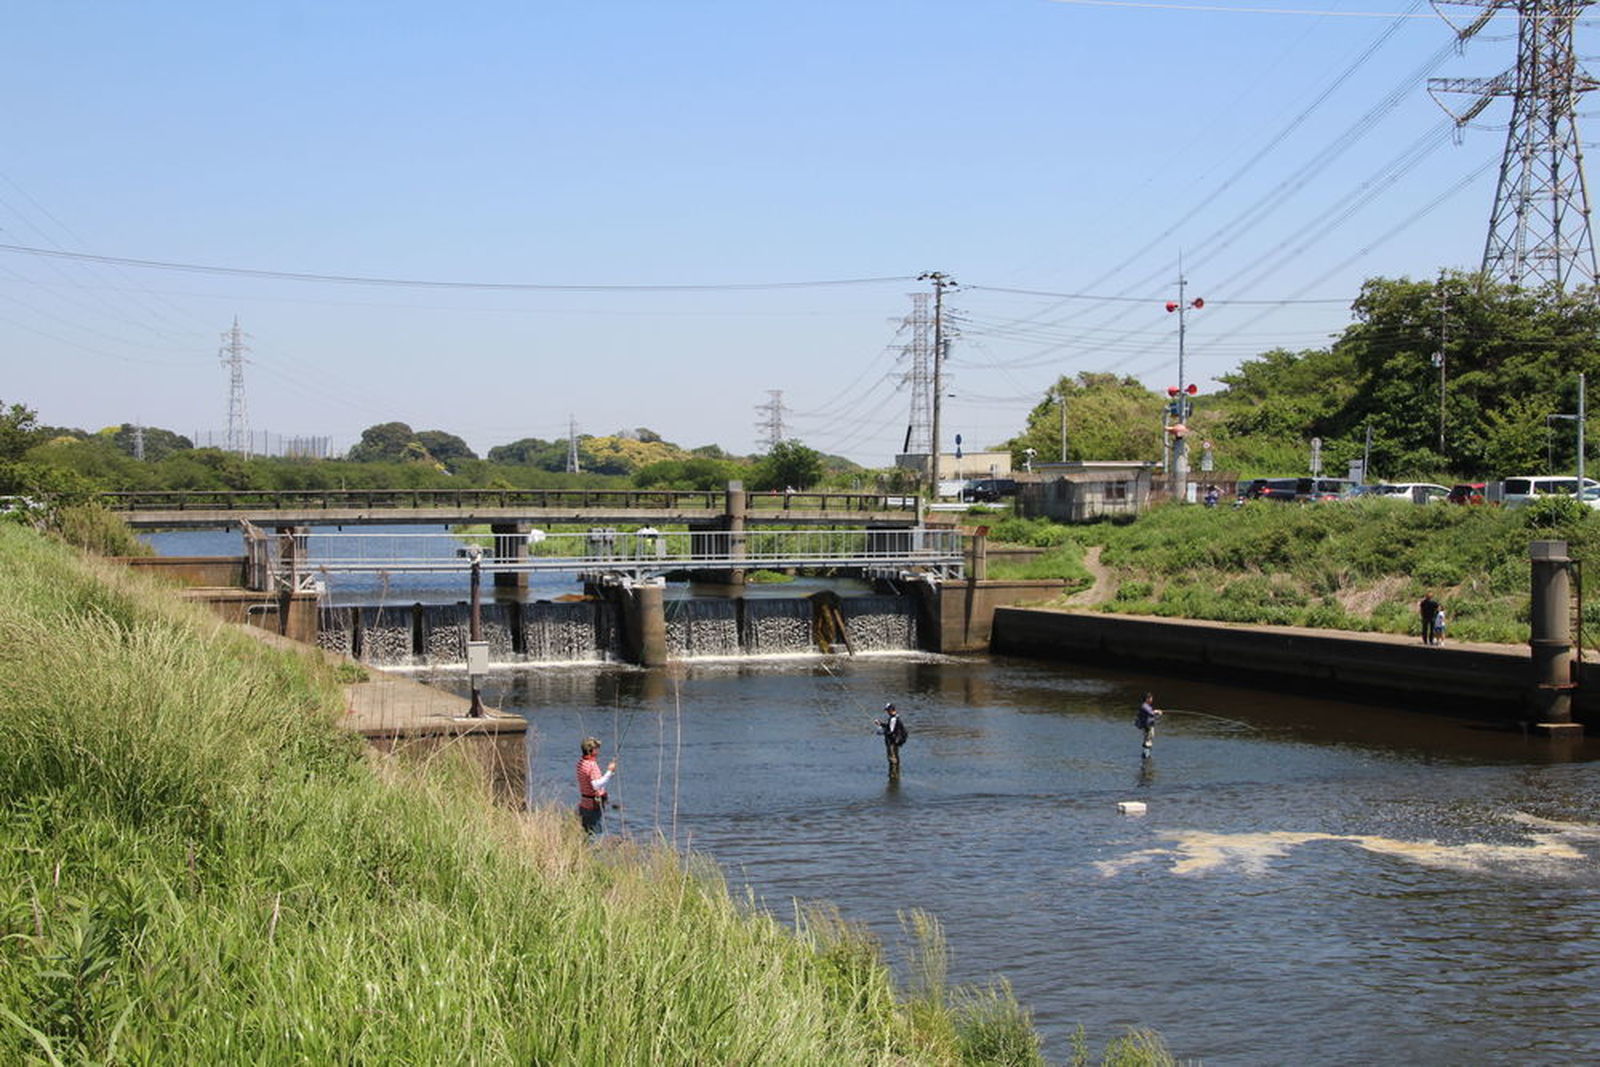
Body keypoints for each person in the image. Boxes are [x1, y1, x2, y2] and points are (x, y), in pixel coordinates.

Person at [576, 736, 616, 837]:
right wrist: (609, 771)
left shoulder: (581, 763)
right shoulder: (591, 765)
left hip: (584, 804)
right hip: (593, 806)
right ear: (591, 751)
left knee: (587, 833)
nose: (598, 751)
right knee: (596, 835)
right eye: (596, 748)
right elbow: (596, 785)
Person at [875, 702, 908, 777]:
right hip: (896, 741)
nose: (887, 712)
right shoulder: (896, 717)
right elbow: (890, 727)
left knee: (892, 757)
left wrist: (881, 732)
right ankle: (897, 774)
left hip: (892, 742)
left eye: (887, 710)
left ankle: (893, 775)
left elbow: (890, 731)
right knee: (896, 757)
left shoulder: (893, 719)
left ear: (891, 710)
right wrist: (880, 724)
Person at [1135, 693, 1163, 758]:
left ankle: (1147, 754)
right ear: (1147, 699)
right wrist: (1157, 712)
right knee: (1148, 739)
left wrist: (1157, 712)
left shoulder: (1147, 706)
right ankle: (1146, 755)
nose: (1152, 699)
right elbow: (1151, 713)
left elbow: (1151, 714)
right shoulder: (1144, 706)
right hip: (1147, 726)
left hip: (1149, 725)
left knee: (1149, 738)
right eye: (1151, 698)